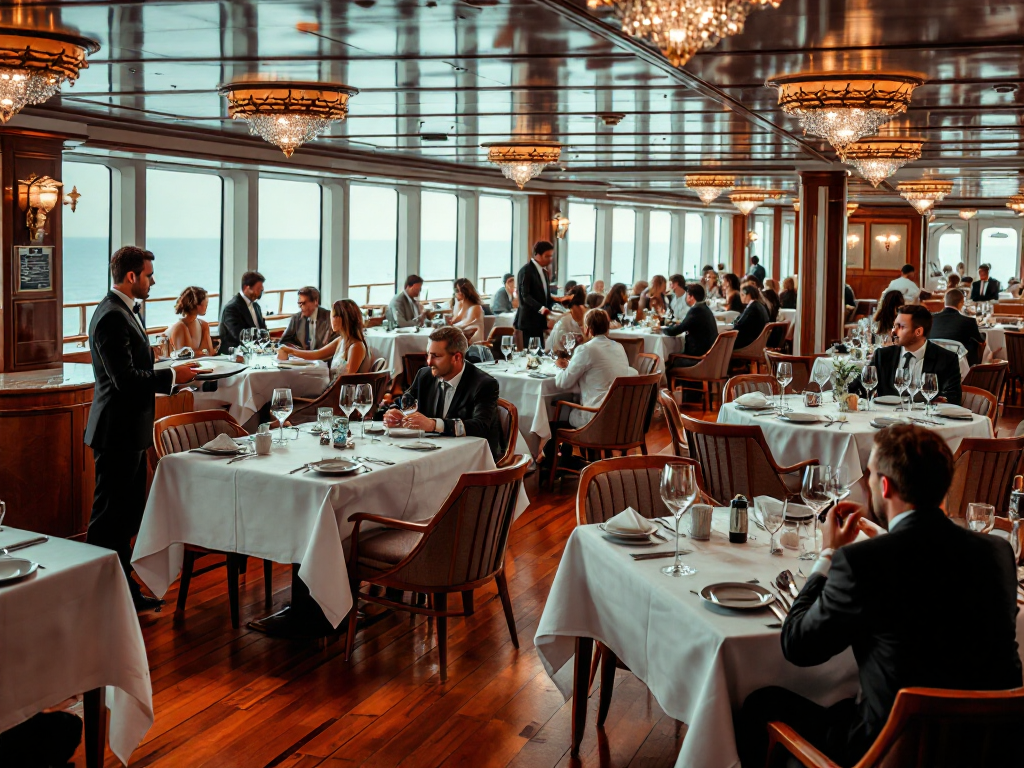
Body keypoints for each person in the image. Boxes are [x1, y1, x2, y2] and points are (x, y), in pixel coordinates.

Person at [737, 425, 1022, 768]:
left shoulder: (863, 562)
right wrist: (887, 538)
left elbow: (797, 644)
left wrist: (828, 554)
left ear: (884, 486)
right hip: (987, 751)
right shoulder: (997, 553)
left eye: (870, 474)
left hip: (890, 753)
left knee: (761, 703)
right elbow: (931, 580)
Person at [85, 246, 201, 611]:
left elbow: (135, 367)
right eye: (149, 275)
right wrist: (171, 376)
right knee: (108, 518)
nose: (154, 281)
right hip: (115, 431)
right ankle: (97, 591)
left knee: (127, 514)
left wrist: (175, 378)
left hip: (130, 429)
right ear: (131, 276)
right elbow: (124, 379)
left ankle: (122, 591)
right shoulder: (111, 317)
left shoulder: (124, 312)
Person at [384, 326, 502, 459]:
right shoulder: (425, 375)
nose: (429, 362)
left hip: (471, 458)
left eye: (436, 356)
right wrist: (395, 411)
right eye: (428, 354)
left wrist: (434, 425)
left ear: (456, 357)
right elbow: (406, 399)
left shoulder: (484, 384)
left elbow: (481, 426)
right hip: (430, 452)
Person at [543, 309, 636, 468]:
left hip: (595, 418)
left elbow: (563, 383)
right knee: (566, 407)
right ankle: (565, 458)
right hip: (619, 417)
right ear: (607, 328)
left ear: (587, 328)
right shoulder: (619, 347)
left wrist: (561, 368)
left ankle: (555, 464)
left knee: (555, 416)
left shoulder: (586, 349)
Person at [864, 304, 962, 404]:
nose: (894, 331)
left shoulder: (946, 359)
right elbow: (862, 385)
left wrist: (940, 401)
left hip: (926, 418)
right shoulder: (882, 355)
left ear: (918, 332)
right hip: (888, 416)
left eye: (901, 327)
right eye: (894, 326)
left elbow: (953, 397)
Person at [277, 298, 370, 376]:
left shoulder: (356, 346)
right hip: (332, 390)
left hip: (339, 395)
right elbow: (317, 354)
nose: (331, 320)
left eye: (333, 316)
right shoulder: (341, 340)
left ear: (342, 318)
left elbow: (347, 381)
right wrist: (290, 351)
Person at [663, 283, 718, 363]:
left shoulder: (696, 310)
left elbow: (676, 330)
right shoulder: (705, 308)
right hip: (709, 356)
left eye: (687, 295)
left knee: (668, 361)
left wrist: (663, 329)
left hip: (697, 359)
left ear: (691, 297)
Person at [930, 288, 986, 366]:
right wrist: (984, 335)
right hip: (958, 362)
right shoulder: (969, 321)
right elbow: (980, 340)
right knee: (974, 344)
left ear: (945, 301)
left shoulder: (930, 319)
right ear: (961, 303)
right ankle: (974, 373)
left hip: (933, 359)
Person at [514, 240, 555, 345]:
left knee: (538, 354)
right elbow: (525, 296)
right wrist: (541, 309)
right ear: (537, 255)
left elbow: (545, 296)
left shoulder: (544, 273)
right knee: (529, 354)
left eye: (551, 256)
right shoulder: (526, 271)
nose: (550, 259)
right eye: (547, 256)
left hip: (539, 322)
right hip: (528, 321)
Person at [218, 270, 268, 353]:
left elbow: (263, 330)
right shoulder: (231, 308)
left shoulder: (256, 307)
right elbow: (239, 335)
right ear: (246, 287)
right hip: (236, 354)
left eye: (261, 289)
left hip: (255, 351)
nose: (260, 292)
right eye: (258, 289)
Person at [280, 286, 337, 351]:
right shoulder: (296, 318)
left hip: (324, 359)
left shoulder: (330, 318)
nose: (300, 307)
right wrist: (296, 350)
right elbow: (284, 342)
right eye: (299, 303)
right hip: (300, 359)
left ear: (316, 302)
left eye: (303, 303)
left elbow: (336, 345)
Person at [167, 286, 214, 357]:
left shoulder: (204, 325)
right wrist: (200, 353)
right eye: (205, 304)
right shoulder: (180, 327)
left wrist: (199, 353)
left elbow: (209, 353)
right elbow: (184, 357)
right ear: (196, 305)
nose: (206, 307)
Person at [547, 285, 586, 353]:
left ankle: (554, 351)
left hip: (570, 334)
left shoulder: (572, 309)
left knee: (561, 324)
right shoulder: (584, 309)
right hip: (579, 337)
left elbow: (570, 316)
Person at [732, 284, 770, 349]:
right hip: (758, 340)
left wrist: (733, 324)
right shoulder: (760, 305)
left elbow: (739, 325)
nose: (741, 297)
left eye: (742, 295)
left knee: (724, 342)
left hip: (750, 342)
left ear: (749, 295)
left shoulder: (752, 308)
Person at [449, 277, 485, 343]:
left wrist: (451, 326)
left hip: (473, 344)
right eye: (456, 290)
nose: (457, 293)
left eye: (458, 290)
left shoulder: (476, 308)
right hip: (464, 341)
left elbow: (466, 326)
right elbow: (454, 322)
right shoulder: (463, 306)